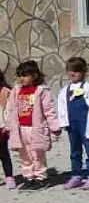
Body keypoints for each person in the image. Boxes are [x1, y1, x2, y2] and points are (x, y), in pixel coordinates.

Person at [4, 60, 60, 190]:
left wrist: (54, 126)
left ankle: (40, 178)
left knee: (37, 154)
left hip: (36, 129)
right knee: (24, 155)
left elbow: (49, 110)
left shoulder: (41, 91)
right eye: (20, 75)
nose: (21, 78)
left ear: (34, 76)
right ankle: (29, 177)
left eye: (25, 75)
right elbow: (11, 109)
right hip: (20, 129)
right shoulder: (16, 91)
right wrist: (8, 125)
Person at [57, 57, 89, 190]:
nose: (72, 74)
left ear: (83, 72)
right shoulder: (65, 90)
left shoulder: (88, 88)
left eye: (76, 71)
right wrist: (62, 123)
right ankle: (76, 175)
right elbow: (62, 107)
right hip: (72, 125)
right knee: (75, 151)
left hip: (86, 124)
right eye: (70, 71)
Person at [0, 70, 13, 189]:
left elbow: (10, 111)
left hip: (2, 127)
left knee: (3, 153)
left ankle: (9, 177)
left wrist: (7, 125)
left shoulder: (5, 91)